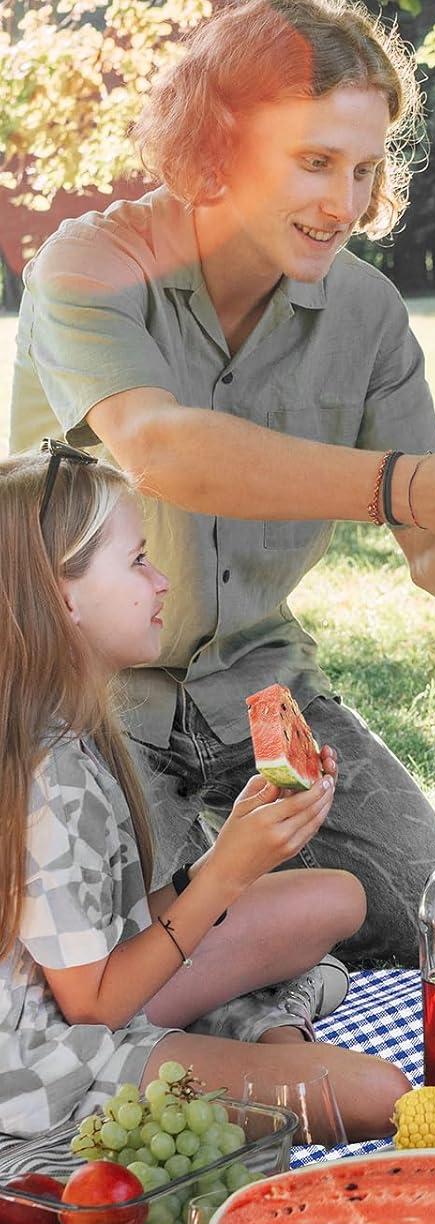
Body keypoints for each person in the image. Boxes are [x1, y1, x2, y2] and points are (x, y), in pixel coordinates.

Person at [8, 0, 435, 967]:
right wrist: (409, 484)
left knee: (427, 913)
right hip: (78, 683)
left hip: (259, 679)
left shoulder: (368, 314)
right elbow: (163, 447)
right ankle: (224, 904)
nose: (346, 202)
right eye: (313, 161)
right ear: (215, 145)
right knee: (111, 958)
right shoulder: (89, 266)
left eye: (366, 167)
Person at [0, 448, 411, 1143]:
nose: (163, 582)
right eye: (137, 562)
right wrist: (226, 873)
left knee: (338, 898)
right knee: (383, 1095)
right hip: (48, 1064)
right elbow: (94, 1008)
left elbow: (113, 934)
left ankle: (244, 1029)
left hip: (95, 986)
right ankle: (252, 1027)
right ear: (63, 593)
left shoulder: (75, 725)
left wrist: (235, 850)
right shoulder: (53, 777)